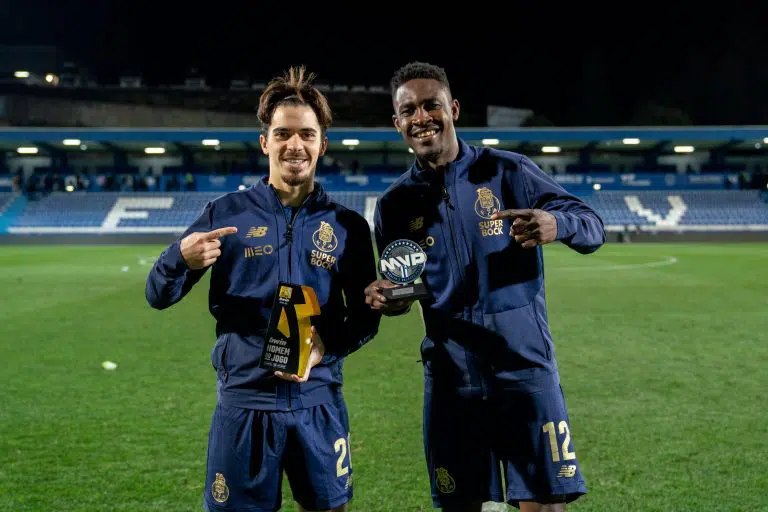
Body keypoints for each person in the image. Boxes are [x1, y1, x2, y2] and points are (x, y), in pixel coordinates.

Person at [365, 62, 606, 512]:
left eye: (432, 105)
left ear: (453, 109)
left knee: (545, 505)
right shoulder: (394, 205)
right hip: (452, 381)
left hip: (524, 369)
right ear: (397, 122)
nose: (422, 118)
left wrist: (557, 223)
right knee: (460, 505)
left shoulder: (508, 171)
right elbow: (408, 287)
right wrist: (388, 299)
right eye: (409, 110)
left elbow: (593, 226)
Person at [146, 65, 381, 512]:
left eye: (307, 134)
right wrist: (179, 257)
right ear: (264, 142)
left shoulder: (348, 227)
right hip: (245, 402)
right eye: (283, 134)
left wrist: (325, 348)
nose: (295, 145)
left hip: (318, 402)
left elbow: (367, 318)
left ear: (322, 144)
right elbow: (158, 295)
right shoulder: (226, 214)